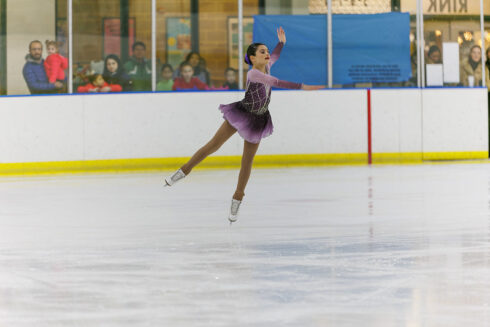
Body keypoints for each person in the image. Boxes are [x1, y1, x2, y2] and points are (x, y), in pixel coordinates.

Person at [164, 27, 324, 223]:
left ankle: (237, 198)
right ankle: (183, 171)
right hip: (242, 112)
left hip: (259, 118)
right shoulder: (254, 74)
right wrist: (303, 87)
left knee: (247, 162)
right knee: (213, 145)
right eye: (262, 52)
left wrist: (281, 43)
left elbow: (275, 56)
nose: (267, 54)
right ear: (253, 58)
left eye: (266, 51)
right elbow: (277, 82)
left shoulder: (267, 65)